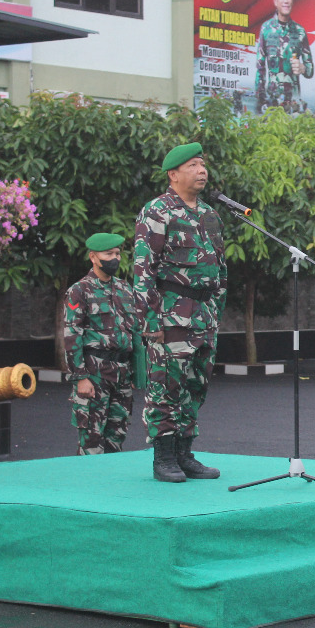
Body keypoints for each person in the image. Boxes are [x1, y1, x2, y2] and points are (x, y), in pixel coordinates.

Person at [133, 142, 226, 483]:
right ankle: (164, 458)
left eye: (203, 165)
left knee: (195, 385)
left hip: (203, 314)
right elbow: (144, 269)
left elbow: (220, 268)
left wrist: (215, 311)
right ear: (173, 174)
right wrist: (150, 319)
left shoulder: (209, 215)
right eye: (193, 166)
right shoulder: (157, 211)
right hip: (170, 313)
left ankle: (185, 454)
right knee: (166, 386)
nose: (202, 171)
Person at [63, 233, 138, 455]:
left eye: (117, 253)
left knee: (117, 437)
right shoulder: (80, 291)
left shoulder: (125, 289)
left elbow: (132, 332)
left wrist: (135, 372)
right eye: (109, 254)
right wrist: (80, 377)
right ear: (93, 257)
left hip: (122, 374)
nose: (115, 258)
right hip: (94, 373)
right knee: (91, 440)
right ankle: (85, 486)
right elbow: (72, 335)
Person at [253, 0, 314, 114]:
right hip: (273, 104)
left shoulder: (299, 31)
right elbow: (260, 67)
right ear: (275, 1)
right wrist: (260, 100)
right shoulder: (266, 29)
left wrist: (302, 67)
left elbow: (310, 70)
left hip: (294, 105)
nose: (286, 0)